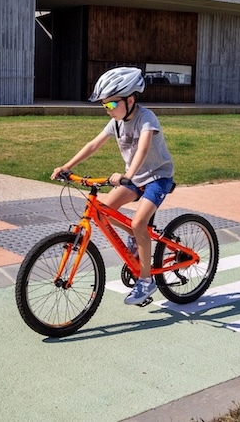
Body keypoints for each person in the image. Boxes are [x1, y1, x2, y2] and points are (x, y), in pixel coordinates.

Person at [51, 66, 175, 305]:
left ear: (130, 99)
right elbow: (93, 145)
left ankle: (147, 281)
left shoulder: (146, 118)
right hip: (135, 179)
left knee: (138, 222)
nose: (106, 109)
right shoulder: (116, 122)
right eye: (103, 105)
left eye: (110, 104)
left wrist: (127, 174)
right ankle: (139, 238)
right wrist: (66, 166)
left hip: (157, 177)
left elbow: (143, 148)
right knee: (102, 210)